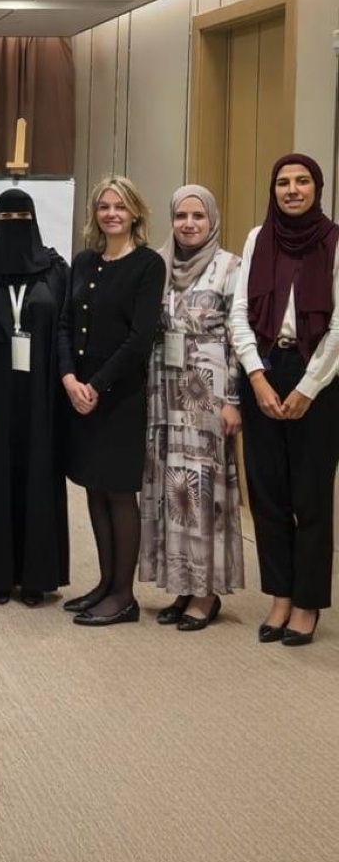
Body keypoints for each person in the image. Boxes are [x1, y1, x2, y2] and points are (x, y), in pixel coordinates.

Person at [229, 155, 339, 647]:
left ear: (317, 187)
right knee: (267, 492)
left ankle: (308, 602)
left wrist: (307, 388)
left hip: (319, 375)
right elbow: (239, 313)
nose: (292, 190)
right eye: (282, 182)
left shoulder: (335, 241)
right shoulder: (258, 239)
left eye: (302, 181)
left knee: (310, 496)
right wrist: (255, 376)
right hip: (265, 368)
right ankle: (280, 595)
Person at [58, 176, 163, 626]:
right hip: (80, 393)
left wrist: (95, 387)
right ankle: (104, 583)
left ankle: (123, 595)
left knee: (119, 493)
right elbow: (64, 325)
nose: (111, 214)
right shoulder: (83, 261)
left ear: (135, 212)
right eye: (104, 207)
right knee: (94, 489)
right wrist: (69, 379)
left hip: (119, 397)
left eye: (120, 206)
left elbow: (140, 339)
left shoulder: (148, 265)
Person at [138, 186, 244, 632]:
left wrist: (233, 400)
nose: (189, 224)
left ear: (212, 219)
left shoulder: (230, 267)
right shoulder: (159, 264)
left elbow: (240, 336)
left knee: (202, 490)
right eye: (181, 216)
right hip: (163, 390)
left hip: (206, 396)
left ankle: (205, 593)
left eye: (198, 216)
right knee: (172, 489)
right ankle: (181, 584)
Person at [0, 189, 70, 604]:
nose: (15, 225)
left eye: (22, 217)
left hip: (42, 394)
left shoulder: (55, 270)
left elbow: (66, 332)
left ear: (34, 220)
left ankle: (37, 576)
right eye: (7, 218)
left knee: (39, 476)